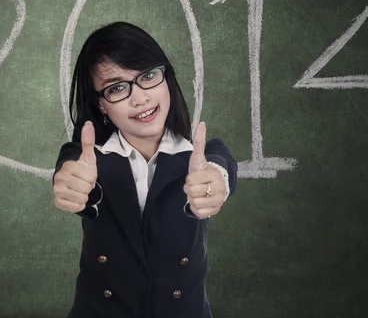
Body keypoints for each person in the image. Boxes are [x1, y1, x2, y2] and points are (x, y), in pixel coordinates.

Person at [52, 22, 238, 318]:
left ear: (166, 78)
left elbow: (220, 164)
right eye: (116, 88)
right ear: (101, 105)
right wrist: (71, 183)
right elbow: (73, 169)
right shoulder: (88, 160)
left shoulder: (201, 159)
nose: (140, 98)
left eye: (148, 76)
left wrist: (218, 180)